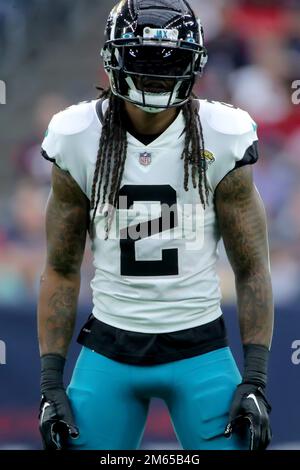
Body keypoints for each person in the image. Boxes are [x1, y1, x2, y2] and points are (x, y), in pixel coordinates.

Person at [38, 0, 273, 451]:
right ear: (113, 59)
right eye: (141, 59)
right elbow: (62, 267)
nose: (155, 74)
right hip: (109, 349)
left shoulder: (222, 133)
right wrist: (50, 384)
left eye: (168, 62)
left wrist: (257, 378)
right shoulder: (77, 135)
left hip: (200, 349)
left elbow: (252, 268)